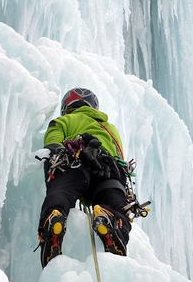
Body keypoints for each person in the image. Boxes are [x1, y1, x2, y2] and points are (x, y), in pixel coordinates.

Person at [37, 87, 132, 268]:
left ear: (67, 107)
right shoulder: (110, 129)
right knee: (115, 201)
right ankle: (113, 220)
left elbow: (52, 145)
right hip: (108, 167)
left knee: (62, 191)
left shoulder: (63, 120)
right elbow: (120, 157)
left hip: (75, 161)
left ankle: (54, 217)